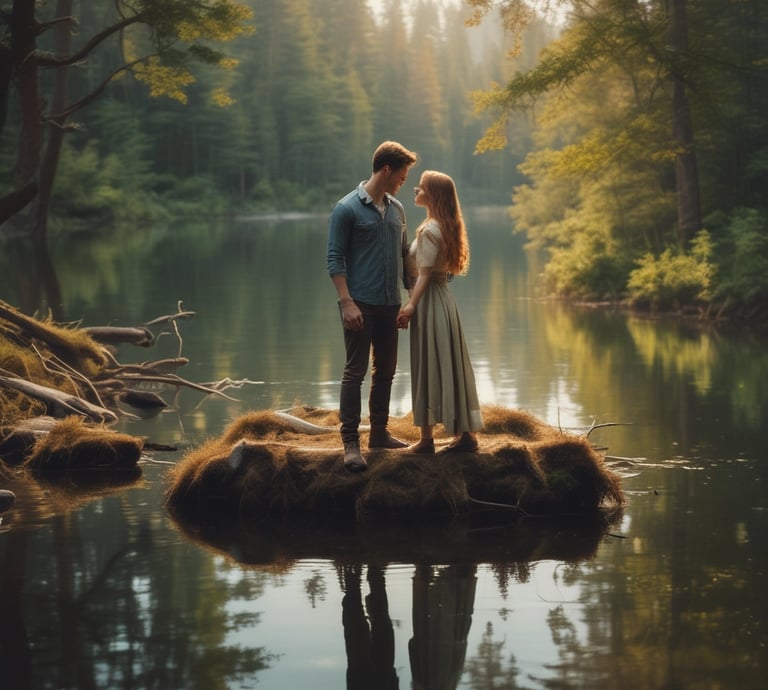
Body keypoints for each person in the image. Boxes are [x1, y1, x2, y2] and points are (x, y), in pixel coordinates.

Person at [327, 141, 419, 472]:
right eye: (402, 177)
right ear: (386, 170)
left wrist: (412, 297)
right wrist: (346, 302)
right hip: (359, 304)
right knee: (355, 371)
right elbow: (334, 258)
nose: (402, 183)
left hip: (390, 303)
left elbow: (405, 253)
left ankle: (379, 434)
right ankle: (350, 443)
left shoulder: (397, 210)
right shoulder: (346, 209)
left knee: (387, 370)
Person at [396, 170, 483, 453]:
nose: (415, 191)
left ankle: (426, 441)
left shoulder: (430, 230)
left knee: (429, 363)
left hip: (431, 301)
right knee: (446, 361)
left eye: (420, 188)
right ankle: (465, 436)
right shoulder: (441, 225)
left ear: (432, 195)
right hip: (442, 300)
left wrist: (410, 305)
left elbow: (424, 275)